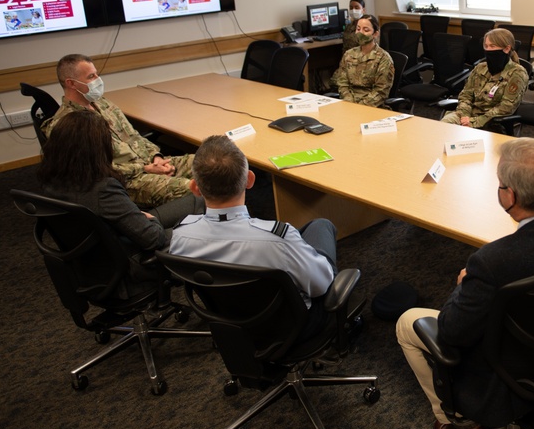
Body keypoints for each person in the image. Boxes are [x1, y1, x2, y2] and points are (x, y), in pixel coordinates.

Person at [396, 138, 534, 429]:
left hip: (509, 370)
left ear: (511, 196)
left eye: (500, 184)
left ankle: (458, 420)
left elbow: (453, 331)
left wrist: (462, 285)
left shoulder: (492, 263)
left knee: (407, 323)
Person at [169, 135, 338, 342]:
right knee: (321, 227)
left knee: (312, 230)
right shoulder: (278, 240)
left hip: (230, 328)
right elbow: (321, 285)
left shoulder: (180, 236)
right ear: (250, 180)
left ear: (195, 188)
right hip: (293, 328)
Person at [37, 110, 204, 254]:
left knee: (198, 201)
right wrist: (146, 219)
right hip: (136, 251)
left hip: (111, 238)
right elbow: (154, 239)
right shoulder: (102, 188)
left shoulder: (52, 179)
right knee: (204, 226)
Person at [43, 53, 195, 208]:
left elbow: (134, 136)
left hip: (149, 164)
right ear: (71, 83)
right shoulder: (68, 125)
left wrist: (156, 157)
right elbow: (96, 171)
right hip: (128, 181)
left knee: (214, 163)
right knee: (198, 190)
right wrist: (145, 168)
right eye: (91, 76)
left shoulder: (102, 103)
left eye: (96, 74)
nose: (98, 80)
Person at [440, 28, 529, 134]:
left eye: (492, 46)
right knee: (443, 127)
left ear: (506, 49)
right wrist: (465, 115)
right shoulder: (480, 68)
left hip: (491, 121)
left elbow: (506, 107)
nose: (488, 50)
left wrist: (475, 122)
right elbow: (466, 95)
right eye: (486, 46)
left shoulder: (517, 73)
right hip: (468, 114)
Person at [331, 14, 395, 108]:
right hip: (348, 103)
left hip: (371, 106)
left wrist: (360, 107)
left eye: (366, 30)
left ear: (375, 34)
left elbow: (381, 91)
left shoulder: (383, 58)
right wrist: (349, 102)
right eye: (358, 29)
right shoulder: (349, 54)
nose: (360, 33)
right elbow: (342, 83)